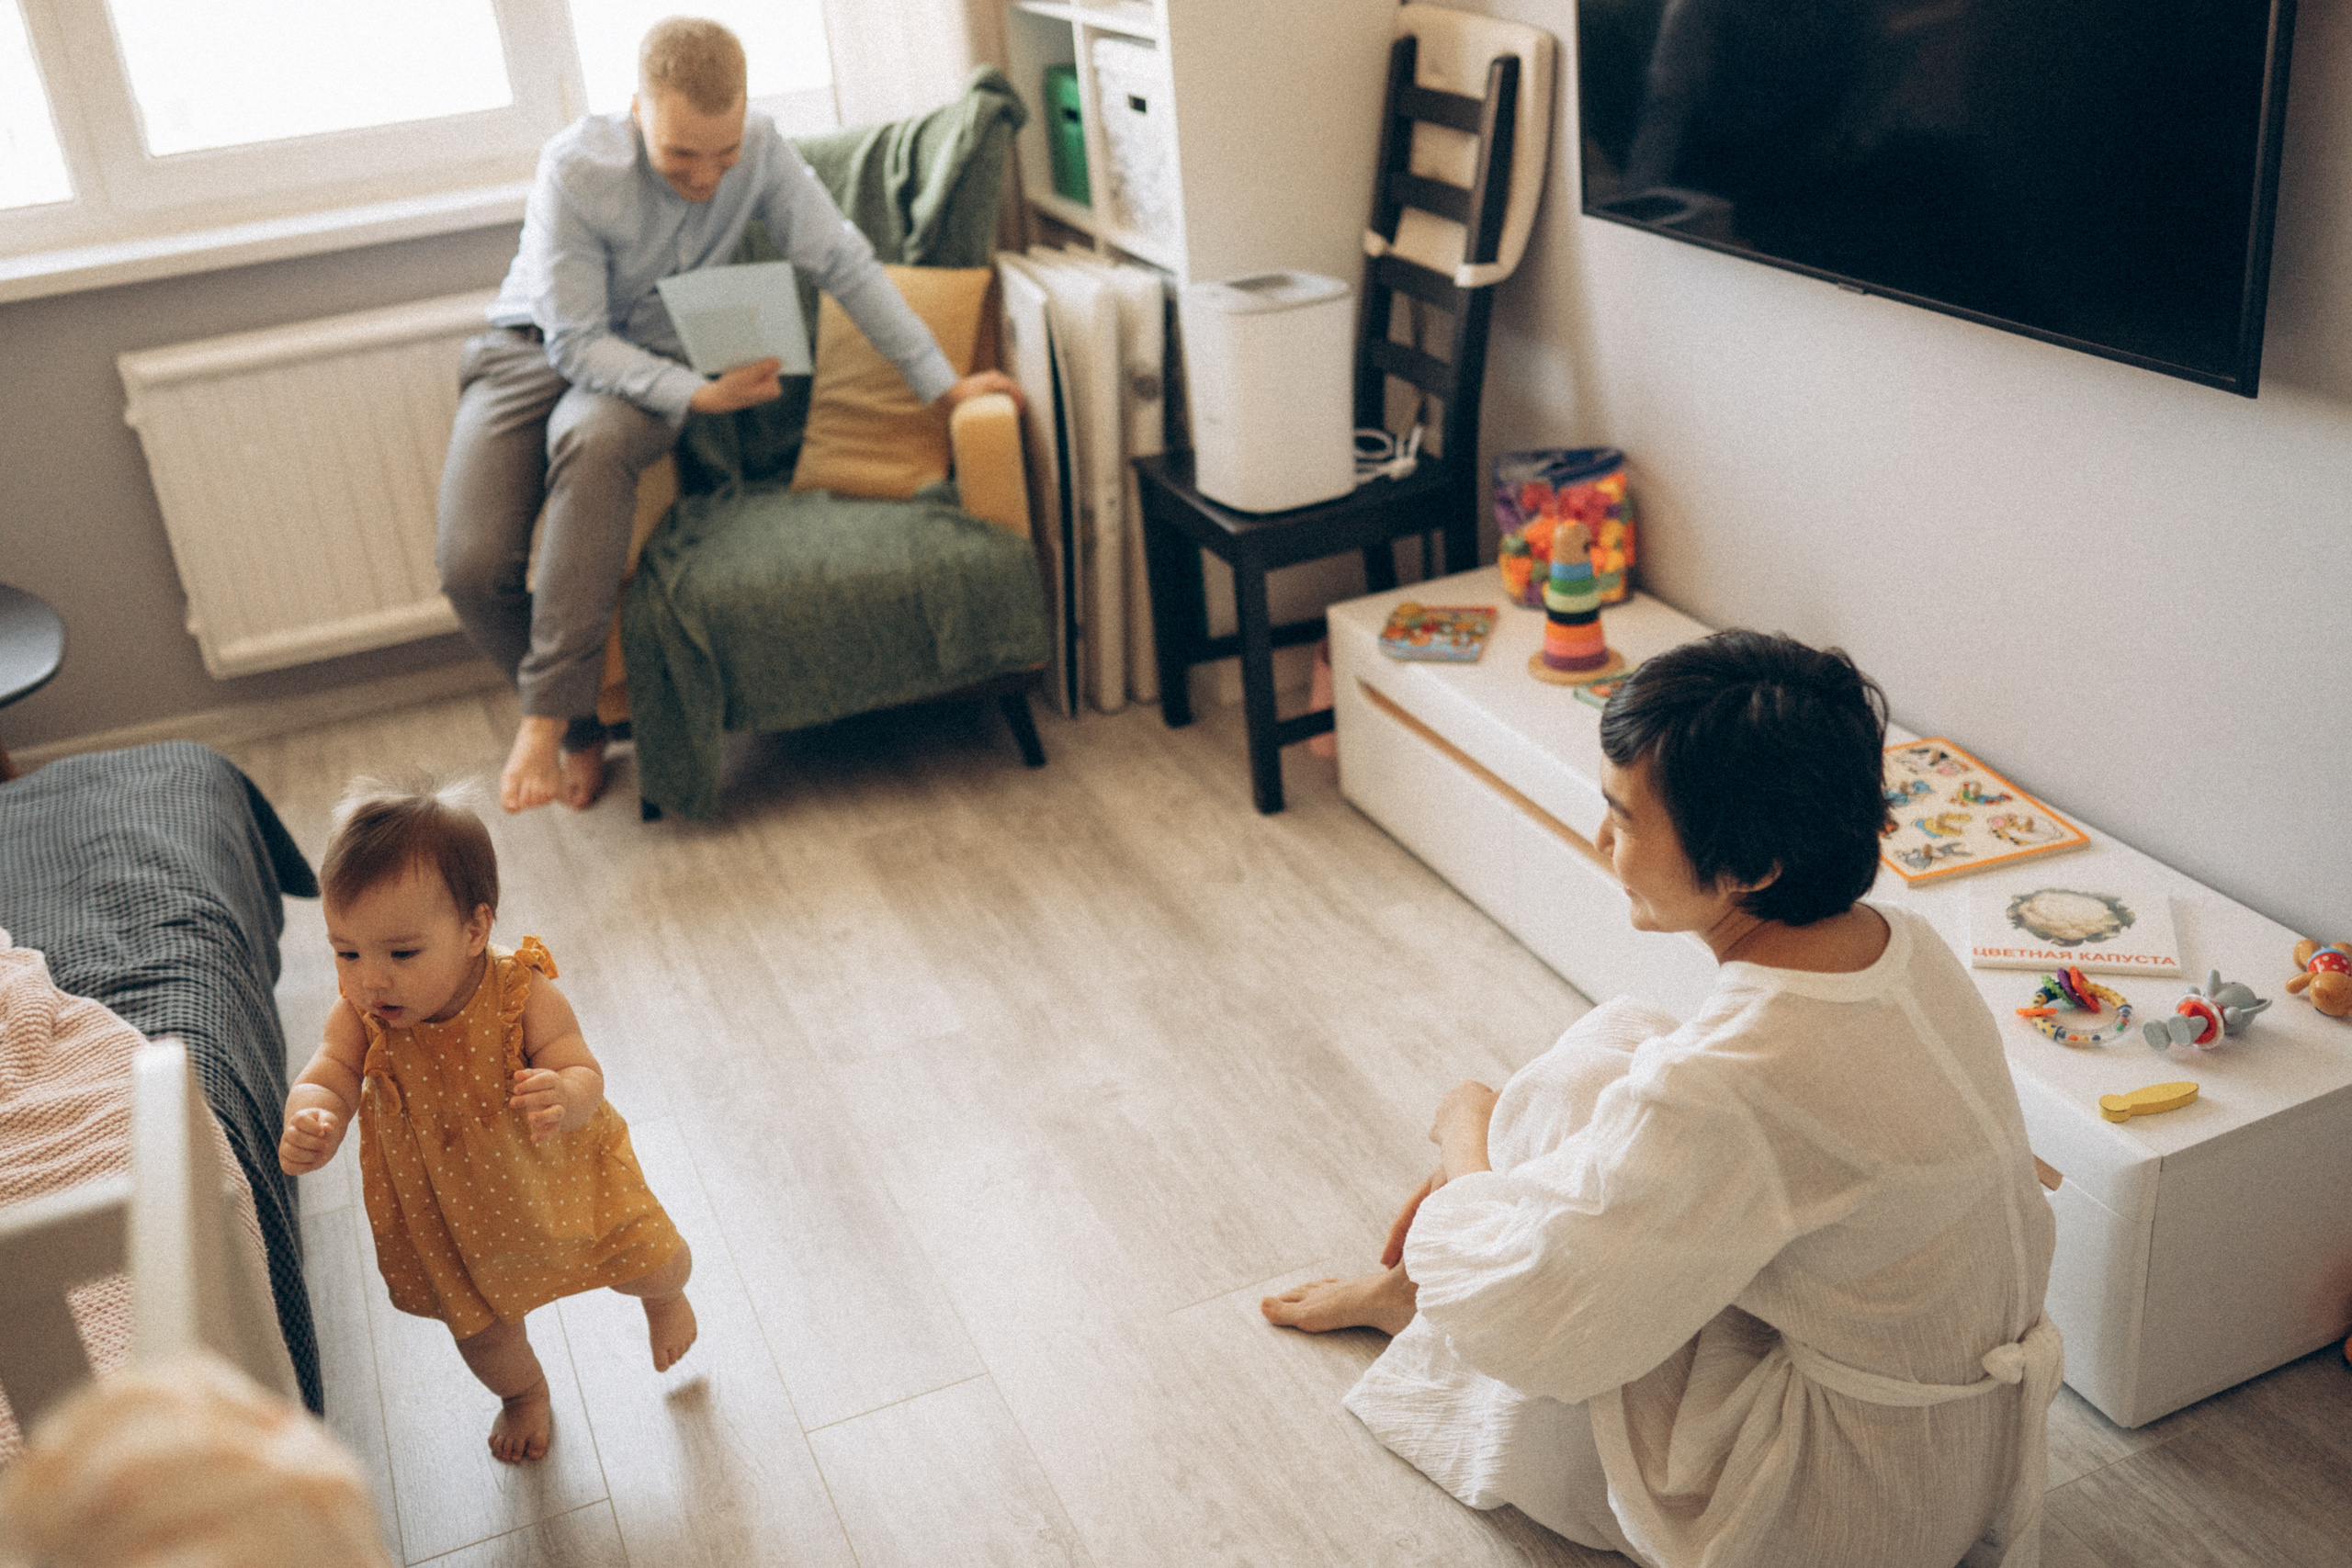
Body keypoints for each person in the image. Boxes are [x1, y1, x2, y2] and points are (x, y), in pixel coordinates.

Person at [1262, 630, 2061, 1568]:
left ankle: (1417, 1300)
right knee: (1610, 1052)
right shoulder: (1904, 945)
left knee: (1556, 1143)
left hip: (1838, 1511)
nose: (1602, 840)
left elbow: (1538, 1326)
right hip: (1957, 1456)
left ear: (1752, 867)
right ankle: (1414, 1292)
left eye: (1625, 818)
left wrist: (1464, 1135)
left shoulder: (1730, 1083)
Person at [439, 17, 1018, 814]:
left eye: (725, 154)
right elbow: (575, 343)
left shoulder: (764, 148)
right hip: (528, 346)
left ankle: (546, 721)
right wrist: (700, 396)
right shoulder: (576, 167)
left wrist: (941, 383)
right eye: (682, 155)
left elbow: (843, 263)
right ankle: (581, 723)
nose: (707, 177)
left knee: (594, 434)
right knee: (468, 568)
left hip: (641, 374)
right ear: (636, 110)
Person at [278, 778, 695, 1464]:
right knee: (482, 1335)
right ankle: (524, 1394)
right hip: (453, 1217)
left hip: (560, 1177)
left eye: (400, 953)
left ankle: (668, 1298)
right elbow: (329, 1072)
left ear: (475, 930)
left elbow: (582, 1066)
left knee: (649, 1255)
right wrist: (313, 1114)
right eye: (346, 951)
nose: (369, 979)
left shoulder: (519, 991)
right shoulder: (357, 1013)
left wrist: (566, 1092)